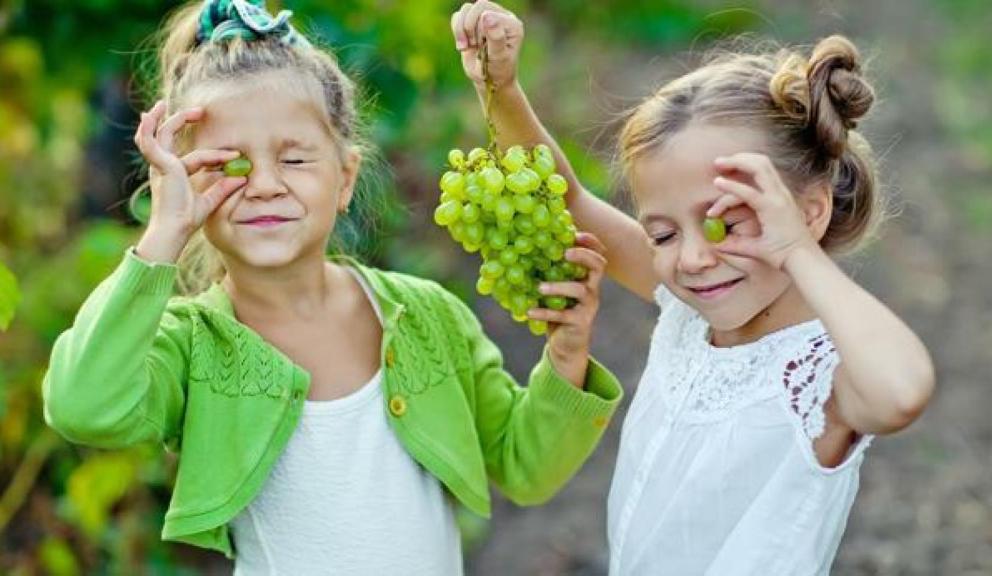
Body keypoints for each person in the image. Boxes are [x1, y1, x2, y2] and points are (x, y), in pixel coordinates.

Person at [42, 1, 623, 573]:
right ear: (182, 182)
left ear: (345, 178)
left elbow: (527, 469)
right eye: (230, 166)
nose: (265, 185)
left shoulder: (428, 316)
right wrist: (163, 234)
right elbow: (83, 408)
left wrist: (566, 357)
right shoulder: (191, 344)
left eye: (295, 159)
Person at [451, 2, 935, 573]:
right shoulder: (691, 315)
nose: (694, 259)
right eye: (661, 233)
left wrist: (799, 253)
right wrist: (500, 90)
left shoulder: (819, 374)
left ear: (806, 213)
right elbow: (570, 199)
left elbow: (903, 392)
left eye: (723, 223)